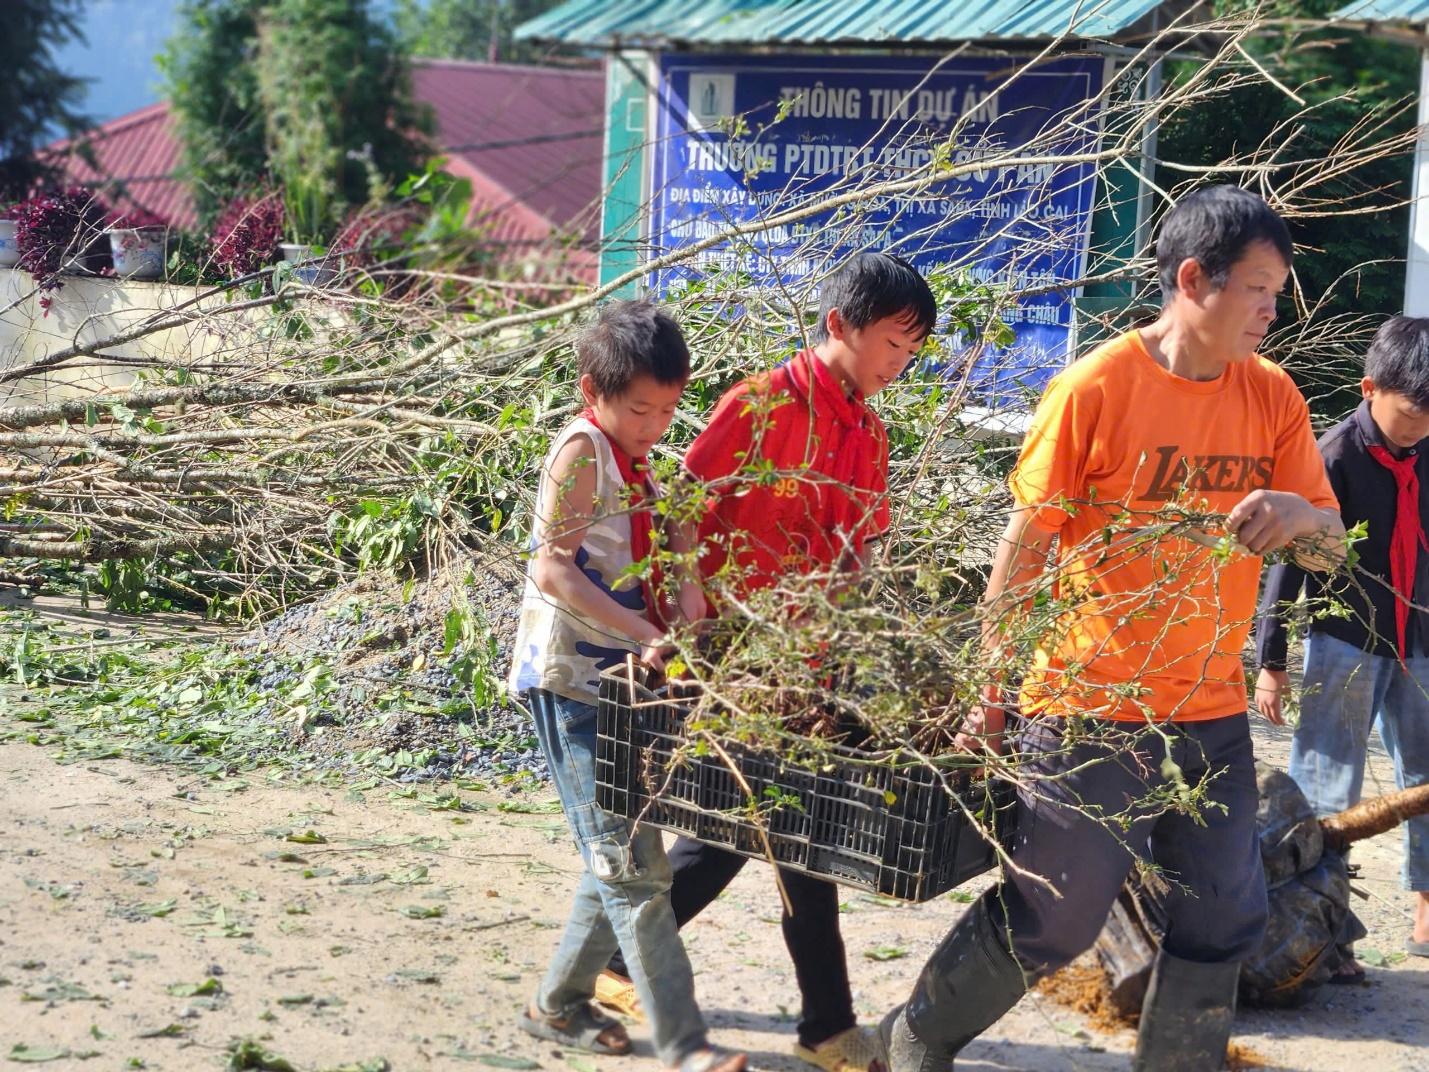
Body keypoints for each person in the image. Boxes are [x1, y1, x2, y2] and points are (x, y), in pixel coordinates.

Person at [879, 186, 1344, 1072]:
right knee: (1055, 917)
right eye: (1255, 288)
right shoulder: (1094, 388)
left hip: (1208, 706)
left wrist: (1298, 513)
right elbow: (1021, 554)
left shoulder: (1274, 397)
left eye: (1276, 291)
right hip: (1089, 703)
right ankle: (916, 1039)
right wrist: (991, 690)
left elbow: (1328, 551)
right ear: (1191, 280)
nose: (1269, 309)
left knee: (1223, 915)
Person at [598, 252, 938, 1072]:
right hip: (738, 655)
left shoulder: (869, 428)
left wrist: (857, 621)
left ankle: (625, 966)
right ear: (839, 327)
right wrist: (689, 613)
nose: (900, 364)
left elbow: (864, 542)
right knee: (769, 827)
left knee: (774, 827)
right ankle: (819, 1022)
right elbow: (681, 501)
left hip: (806, 665)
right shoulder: (757, 405)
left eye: (911, 352)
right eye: (893, 345)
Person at [507, 299, 745, 1072]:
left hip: (631, 686)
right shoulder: (580, 453)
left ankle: (556, 1003)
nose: (654, 424)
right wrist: (646, 632)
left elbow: (678, 564)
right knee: (634, 868)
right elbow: (551, 569)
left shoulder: (655, 466)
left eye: (669, 409)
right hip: (573, 679)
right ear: (592, 392)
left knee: (615, 849)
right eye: (640, 408)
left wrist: (688, 605)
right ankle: (687, 1045)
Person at [1256, 315, 1429, 967]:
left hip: (1422, 642)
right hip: (1343, 642)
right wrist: (1270, 662)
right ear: (1368, 388)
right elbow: (1288, 564)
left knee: (1425, 777)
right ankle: (1318, 924)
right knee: (1329, 785)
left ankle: (1426, 909)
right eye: (1408, 414)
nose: (1417, 428)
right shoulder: (1331, 456)